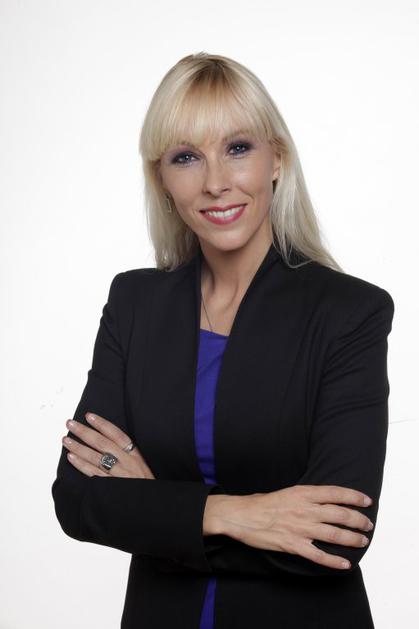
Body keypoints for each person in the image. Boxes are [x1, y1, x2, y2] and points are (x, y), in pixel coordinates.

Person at [51, 52, 394, 629]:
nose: (215, 183)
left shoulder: (348, 313)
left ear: (276, 159)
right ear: (162, 179)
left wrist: (158, 507)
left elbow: (335, 536)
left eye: (237, 148)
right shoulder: (135, 304)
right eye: (186, 157)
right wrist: (236, 515)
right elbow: (79, 500)